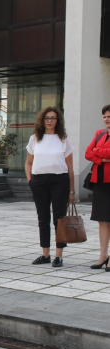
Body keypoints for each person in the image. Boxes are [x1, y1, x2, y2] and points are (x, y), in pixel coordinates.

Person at [25, 107, 75, 268]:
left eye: (53, 118)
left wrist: (72, 190)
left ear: (58, 120)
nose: (49, 121)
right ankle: (45, 254)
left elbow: (70, 167)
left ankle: (59, 256)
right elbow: (28, 162)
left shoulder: (63, 139)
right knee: (43, 218)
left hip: (60, 181)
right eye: (47, 118)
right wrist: (30, 180)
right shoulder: (35, 138)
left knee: (59, 219)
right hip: (39, 182)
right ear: (42, 120)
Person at [85, 104, 110, 271]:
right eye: (105, 117)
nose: (107, 119)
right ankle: (103, 255)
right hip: (100, 183)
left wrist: (98, 151)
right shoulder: (99, 133)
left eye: (109, 116)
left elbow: (96, 151)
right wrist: (103, 159)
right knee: (102, 220)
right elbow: (88, 153)